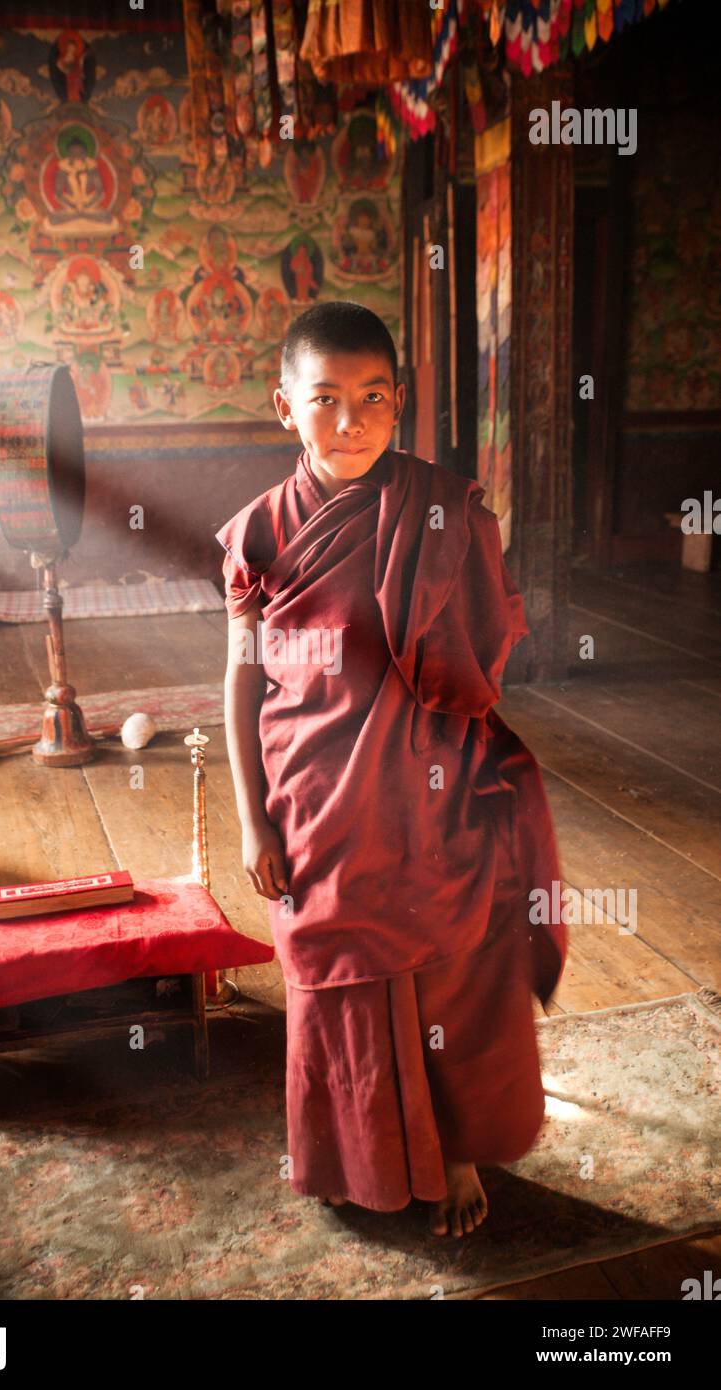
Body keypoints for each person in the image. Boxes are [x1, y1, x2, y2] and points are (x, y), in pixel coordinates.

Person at [215, 300, 567, 1239]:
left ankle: (452, 1153)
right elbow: (243, 680)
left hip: (430, 789)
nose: (351, 421)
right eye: (325, 399)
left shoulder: (446, 509)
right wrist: (253, 821)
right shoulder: (259, 533)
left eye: (373, 397)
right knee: (331, 968)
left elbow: (482, 659)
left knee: (448, 969)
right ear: (283, 407)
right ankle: (351, 1150)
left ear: (400, 400)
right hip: (313, 794)